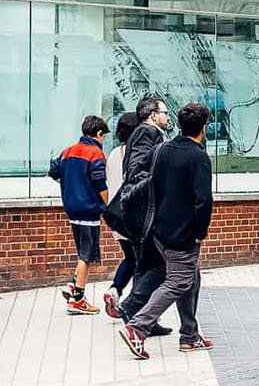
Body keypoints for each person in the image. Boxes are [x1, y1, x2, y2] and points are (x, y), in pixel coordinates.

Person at [120, 102, 216, 358]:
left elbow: (147, 179)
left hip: (159, 228)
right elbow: (203, 200)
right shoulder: (198, 157)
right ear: (203, 128)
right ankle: (138, 327)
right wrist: (200, 231)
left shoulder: (162, 149)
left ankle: (189, 334)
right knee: (178, 281)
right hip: (182, 232)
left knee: (191, 278)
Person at [111, 97, 174, 332]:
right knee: (157, 266)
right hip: (146, 212)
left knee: (146, 264)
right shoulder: (149, 133)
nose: (168, 117)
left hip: (142, 211)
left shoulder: (143, 133)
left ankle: (143, 318)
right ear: (152, 115)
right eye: (165, 113)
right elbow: (139, 169)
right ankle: (133, 309)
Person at [49, 115, 110, 314]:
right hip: (89, 210)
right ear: (99, 134)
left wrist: (71, 185)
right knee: (87, 255)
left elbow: (54, 172)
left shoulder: (68, 151)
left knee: (82, 252)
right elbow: (100, 183)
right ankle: (78, 299)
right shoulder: (95, 154)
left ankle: (73, 285)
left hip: (72, 209)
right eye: (104, 137)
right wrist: (108, 205)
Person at [102, 110, 142, 311]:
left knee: (131, 258)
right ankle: (134, 308)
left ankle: (115, 289)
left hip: (116, 218)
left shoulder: (113, 154)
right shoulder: (138, 154)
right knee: (142, 263)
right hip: (133, 217)